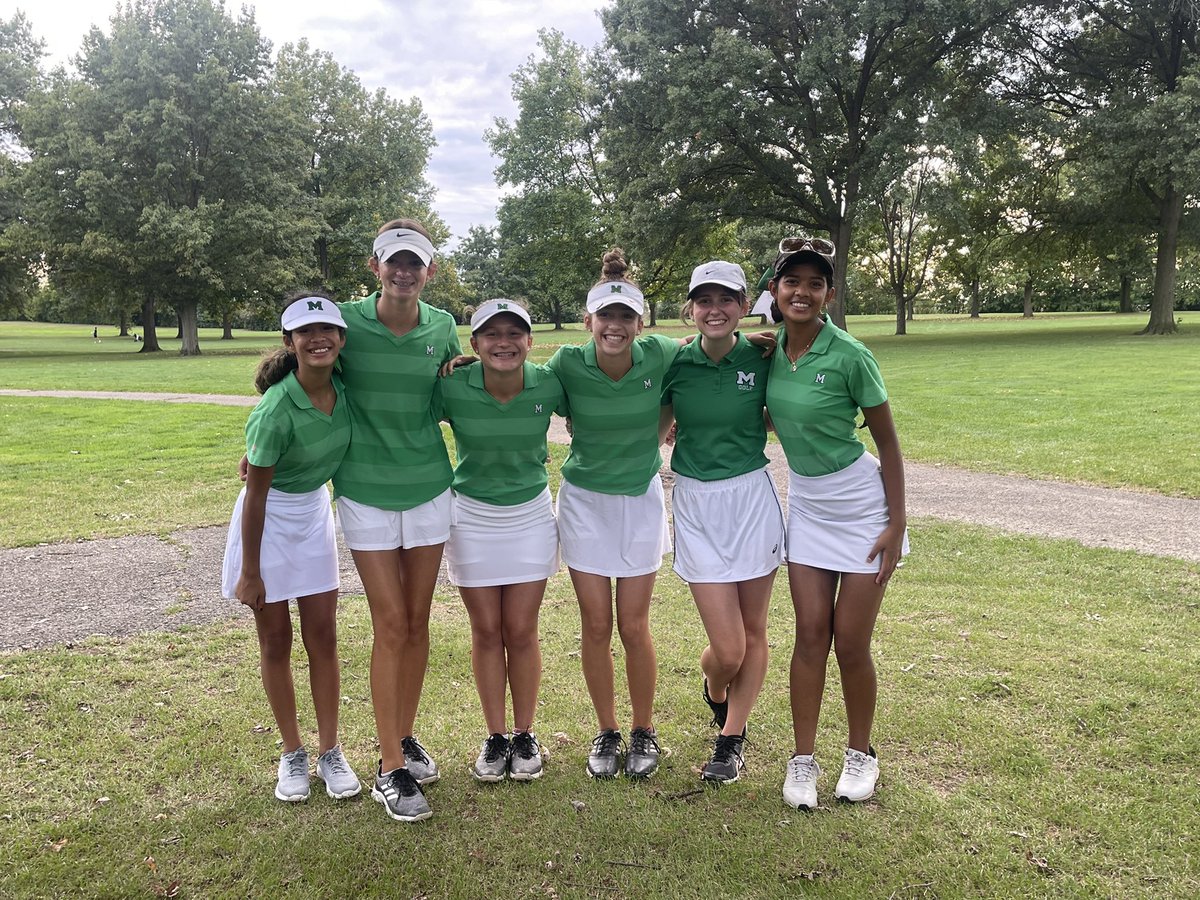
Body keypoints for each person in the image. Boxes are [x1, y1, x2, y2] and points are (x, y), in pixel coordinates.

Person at [764, 237, 908, 810]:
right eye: (792, 282)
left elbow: (890, 444)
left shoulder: (850, 354)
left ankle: (860, 753)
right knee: (808, 636)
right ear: (774, 291)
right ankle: (802, 762)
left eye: (815, 284)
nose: (802, 292)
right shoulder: (767, 348)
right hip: (808, 507)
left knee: (851, 643)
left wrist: (897, 525)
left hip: (863, 507)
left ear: (828, 294)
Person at [336, 220, 462, 822]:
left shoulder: (441, 326)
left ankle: (403, 735)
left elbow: (448, 398)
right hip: (364, 489)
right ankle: (389, 765)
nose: (404, 272)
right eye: (395, 262)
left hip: (430, 488)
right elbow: (305, 377)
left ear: (429, 271)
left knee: (417, 621)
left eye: (415, 263)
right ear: (375, 266)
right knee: (389, 623)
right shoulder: (344, 322)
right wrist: (266, 446)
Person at [220, 293, 361, 804]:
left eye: (327, 329)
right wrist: (250, 572)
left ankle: (330, 751)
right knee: (276, 641)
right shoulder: (275, 408)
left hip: (313, 515)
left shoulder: (346, 385)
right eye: (305, 332)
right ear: (289, 342)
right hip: (269, 522)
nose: (317, 338)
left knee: (323, 637)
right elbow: (255, 495)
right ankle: (292, 752)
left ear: (342, 339)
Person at [547, 248, 680, 780]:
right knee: (596, 624)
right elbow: (517, 384)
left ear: (640, 324)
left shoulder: (662, 354)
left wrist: (769, 337)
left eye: (626, 317)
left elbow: (714, 348)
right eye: (606, 317)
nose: (616, 327)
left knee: (634, 624)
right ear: (589, 322)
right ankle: (606, 730)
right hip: (584, 503)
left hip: (641, 501)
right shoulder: (566, 364)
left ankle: (644, 729)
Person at [660, 260, 784, 784]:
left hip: (751, 497)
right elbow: (652, 422)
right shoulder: (674, 361)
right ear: (691, 307)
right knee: (727, 647)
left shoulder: (763, 357)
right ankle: (714, 686)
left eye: (726, 299)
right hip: (695, 502)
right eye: (704, 300)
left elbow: (781, 413)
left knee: (754, 630)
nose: (715, 309)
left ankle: (731, 738)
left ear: (741, 306)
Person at [434, 299, 564, 783]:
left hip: (530, 514)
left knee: (521, 629)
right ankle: (495, 736)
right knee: (487, 630)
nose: (503, 342)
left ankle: (525, 733)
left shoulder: (550, 382)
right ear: (474, 344)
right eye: (491, 334)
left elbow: (608, 386)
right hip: (470, 516)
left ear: (530, 342)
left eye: (514, 333)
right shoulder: (452, 385)